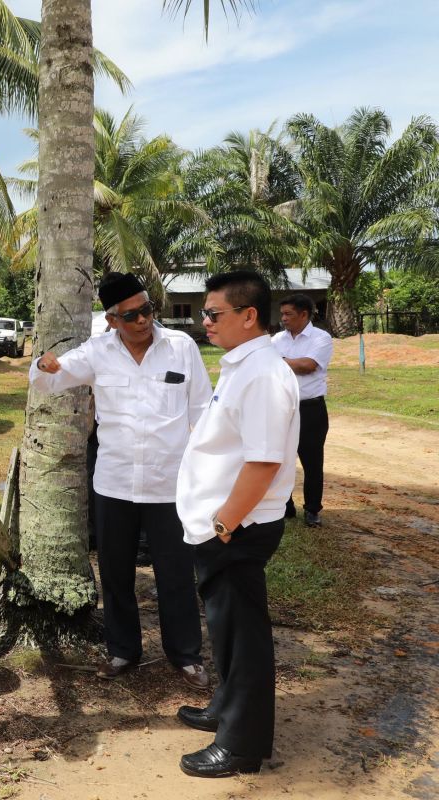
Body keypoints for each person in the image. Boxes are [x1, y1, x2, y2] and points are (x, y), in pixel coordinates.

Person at [30, 273, 211, 690]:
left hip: (170, 485)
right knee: (115, 573)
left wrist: (203, 475)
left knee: (177, 574)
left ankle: (185, 655)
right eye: (132, 315)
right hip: (114, 486)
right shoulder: (97, 352)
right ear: (112, 320)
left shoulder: (181, 348)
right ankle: (123, 650)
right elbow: (49, 379)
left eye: (148, 309)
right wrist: (43, 364)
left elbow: (202, 412)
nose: (144, 320)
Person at [175, 271, 300, 778]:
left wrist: (226, 521)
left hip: (237, 528)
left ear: (249, 316)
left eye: (213, 314)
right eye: (203, 313)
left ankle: (243, 744)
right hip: (223, 525)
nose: (204, 322)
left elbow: (264, 461)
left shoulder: (265, 373)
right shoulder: (243, 366)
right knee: (226, 631)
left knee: (243, 635)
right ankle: (226, 707)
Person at [272, 294, 332, 527]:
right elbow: (264, 362)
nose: (283, 319)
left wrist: (278, 360)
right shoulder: (277, 339)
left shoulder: (321, 338)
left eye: (288, 314)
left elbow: (308, 366)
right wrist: (288, 360)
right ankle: (284, 506)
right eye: (282, 314)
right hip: (282, 408)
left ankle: (312, 510)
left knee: (312, 462)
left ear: (304, 315)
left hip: (311, 409)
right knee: (280, 459)